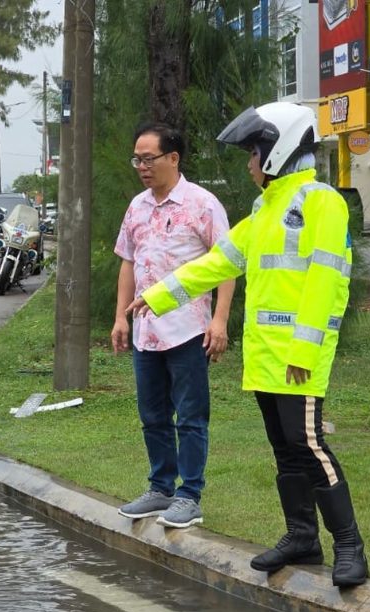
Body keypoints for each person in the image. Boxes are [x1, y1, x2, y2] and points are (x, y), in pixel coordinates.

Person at [127, 102, 368, 587]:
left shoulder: (319, 201)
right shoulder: (266, 209)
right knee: (285, 449)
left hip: (300, 357)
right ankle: (302, 537)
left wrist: (303, 349)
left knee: (310, 444)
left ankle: (350, 546)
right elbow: (217, 263)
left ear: (276, 151)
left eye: (253, 153)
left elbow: (326, 282)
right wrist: (155, 295)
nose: (249, 163)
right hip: (265, 358)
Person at [112, 122, 235, 529]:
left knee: (191, 416)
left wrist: (219, 321)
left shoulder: (202, 204)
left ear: (173, 158)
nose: (142, 167)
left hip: (188, 330)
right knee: (153, 416)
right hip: (146, 335)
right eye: (137, 160)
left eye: (149, 159)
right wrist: (120, 318)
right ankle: (161, 487)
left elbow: (228, 264)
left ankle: (189, 495)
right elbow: (128, 261)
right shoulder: (137, 207)